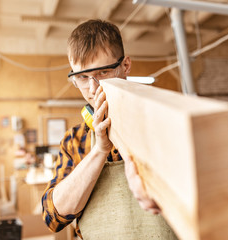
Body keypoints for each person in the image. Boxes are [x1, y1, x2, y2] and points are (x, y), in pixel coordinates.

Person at [42, 19, 177, 239]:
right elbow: (52, 217)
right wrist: (99, 151)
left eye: (103, 73)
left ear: (125, 66)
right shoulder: (74, 140)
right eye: (83, 77)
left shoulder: (160, 124)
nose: (93, 89)